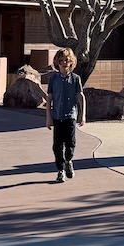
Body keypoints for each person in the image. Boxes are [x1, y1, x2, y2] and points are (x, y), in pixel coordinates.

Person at [46, 48, 86, 182]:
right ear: (57, 62)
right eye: (61, 60)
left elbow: (81, 97)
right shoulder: (53, 79)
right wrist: (48, 117)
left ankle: (69, 160)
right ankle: (60, 170)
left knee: (70, 143)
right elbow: (49, 99)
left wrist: (82, 115)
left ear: (71, 62)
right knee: (57, 145)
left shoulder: (75, 79)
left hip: (71, 115)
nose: (64, 63)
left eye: (67, 60)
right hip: (57, 116)